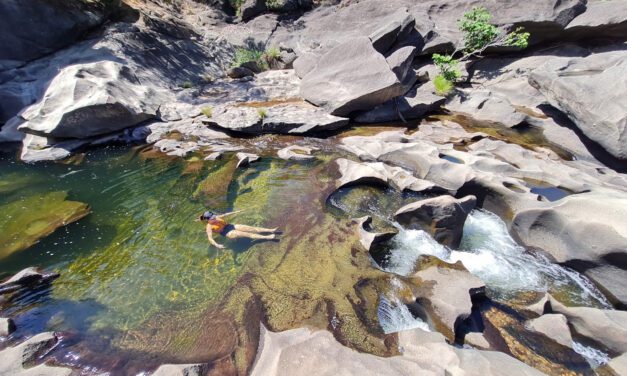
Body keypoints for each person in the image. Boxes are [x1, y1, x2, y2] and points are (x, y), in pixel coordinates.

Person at [198, 210, 279, 249]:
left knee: (251, 228)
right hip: (227, 233)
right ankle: (267, 237)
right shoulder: (209, 227)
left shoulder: (216, 217)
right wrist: (217, 245)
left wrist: (237, 212)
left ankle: (270, 230)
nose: (214, 218)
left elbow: (226, 214)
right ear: (208, 220)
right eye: (212, 218)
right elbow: (210, 238)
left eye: (214, 216)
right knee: (248, 234)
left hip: (230, 226)